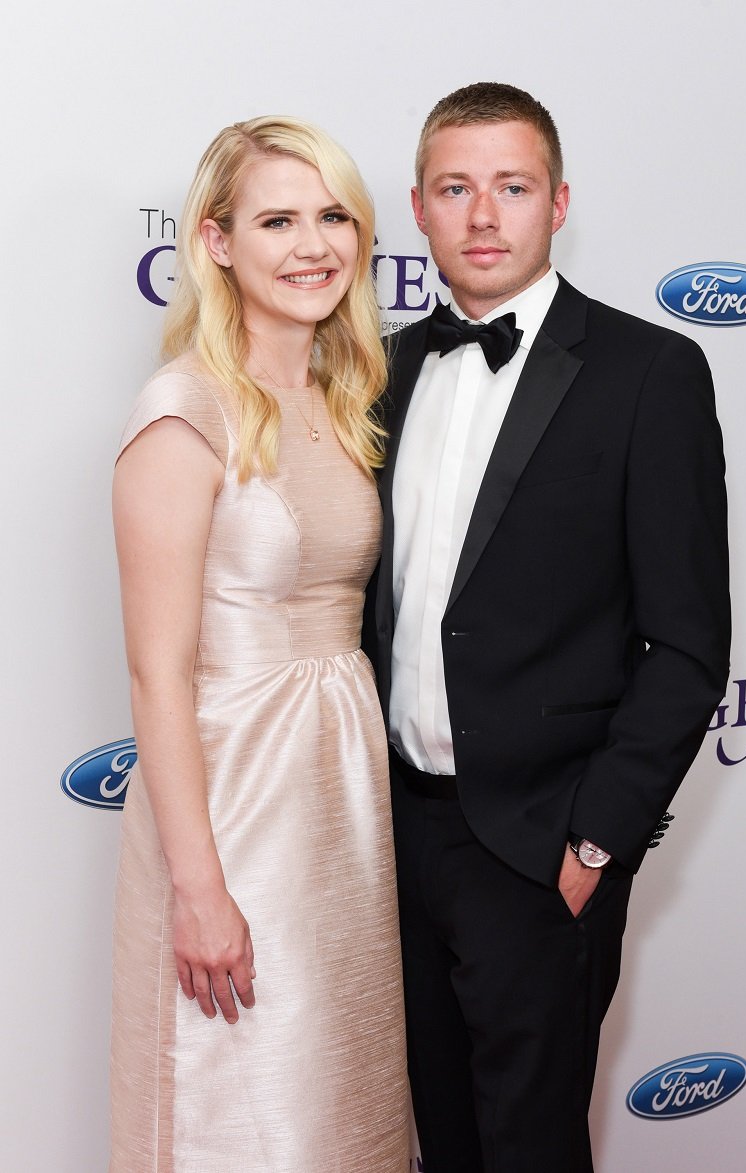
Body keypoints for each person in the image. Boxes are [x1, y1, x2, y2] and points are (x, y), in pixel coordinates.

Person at [366, 82, 731, 1172]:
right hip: (393, 833)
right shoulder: (379, 368)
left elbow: (687, 645)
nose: (483, 214)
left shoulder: (647, 372)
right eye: (455, 188)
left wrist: (590, 842)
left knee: (527, 1149)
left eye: (511, 187)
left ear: (557, 201)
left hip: (534, 847)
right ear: (420, 209)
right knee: (435, 1137)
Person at [110, 116, 408, 1171]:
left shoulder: (345, 401)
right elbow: (157, 672)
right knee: (250, 1104)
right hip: (235, 809)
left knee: (340, 1103)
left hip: (337, 807)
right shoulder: (183, 414)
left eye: (332, 216)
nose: (312, 244)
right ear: (216, 241)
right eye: (276, 219)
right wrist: (198, 887)